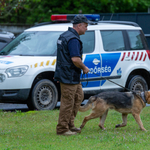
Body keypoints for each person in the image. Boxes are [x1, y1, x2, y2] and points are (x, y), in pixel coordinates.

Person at [54, 14, 90, 136]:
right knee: (68, 102)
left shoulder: (64, 36)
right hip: (68, 76)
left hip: (69, 75)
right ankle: (62, 129)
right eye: (85, 26)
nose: (86, 28)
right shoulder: (73, 39)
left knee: (79, 96)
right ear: (79, 25)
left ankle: (70, 124)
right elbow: (75, 59)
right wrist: (84, 68)